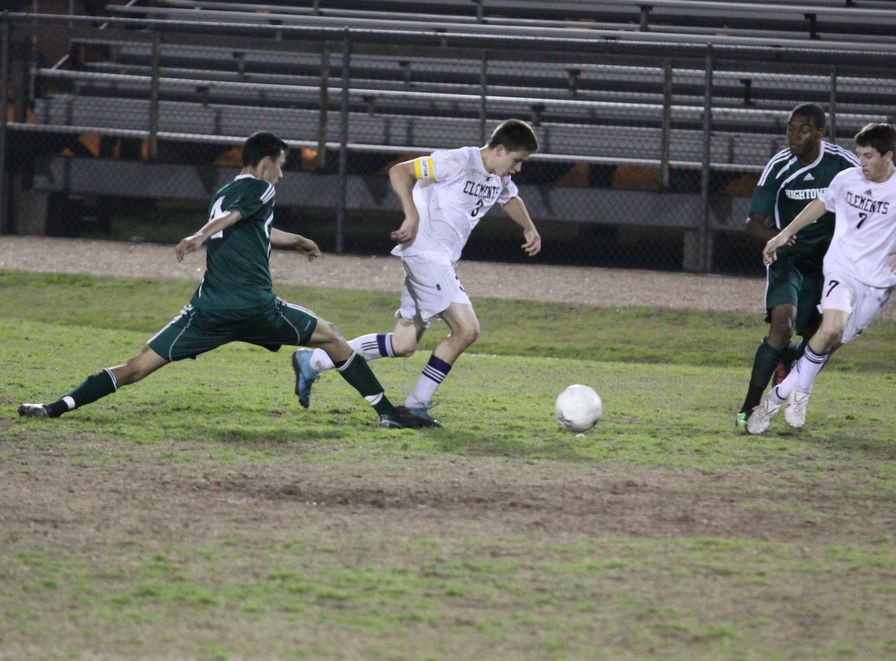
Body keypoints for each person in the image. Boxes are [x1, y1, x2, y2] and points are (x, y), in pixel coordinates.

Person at [18, 131, 434, 429]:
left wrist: (296, 240)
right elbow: (234, 219)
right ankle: (387, 413)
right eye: (282, 165)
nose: (282, 174)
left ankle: (54, 408)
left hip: (209, 312)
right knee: (332, 338)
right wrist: (199, 236)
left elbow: (249, 226)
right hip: (256, 308)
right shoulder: (262, 189)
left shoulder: (225, 192)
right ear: (267, 161)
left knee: (136, 367)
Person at [290, 119, 542, 425]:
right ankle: (415, 406)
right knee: (467, 330)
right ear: (500, 149)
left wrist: (529, 227)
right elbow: (400, 171)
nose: (518, 168)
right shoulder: (457, 161)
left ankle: (313, 360)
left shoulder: (498, 177)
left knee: (403, 344)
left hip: (439, 260)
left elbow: (510, 197)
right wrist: (411, 215)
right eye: (517, 160)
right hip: (425, 255)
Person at [746, 122, 896, 435]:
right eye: (860, 154)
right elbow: (819, 206)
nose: (862, 162)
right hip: (842, 269)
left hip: (878, 285)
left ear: (888, 156)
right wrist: (783, 234)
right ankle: (780, 401)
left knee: (830, 342)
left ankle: (787, 393)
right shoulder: (847, 179)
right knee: (830, 328)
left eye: (868, 156)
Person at [735, 104, 859, 430]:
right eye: (790, 128)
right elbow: (752, 223)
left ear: (821, 133)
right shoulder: (779, 166)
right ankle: (748, 407)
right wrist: (777, 237)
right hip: (787, 259)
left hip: (829, 263)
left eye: (803, 130)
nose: (794, 136)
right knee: (781, 326)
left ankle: (791, 362)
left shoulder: (844, 165)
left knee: (825, 339)